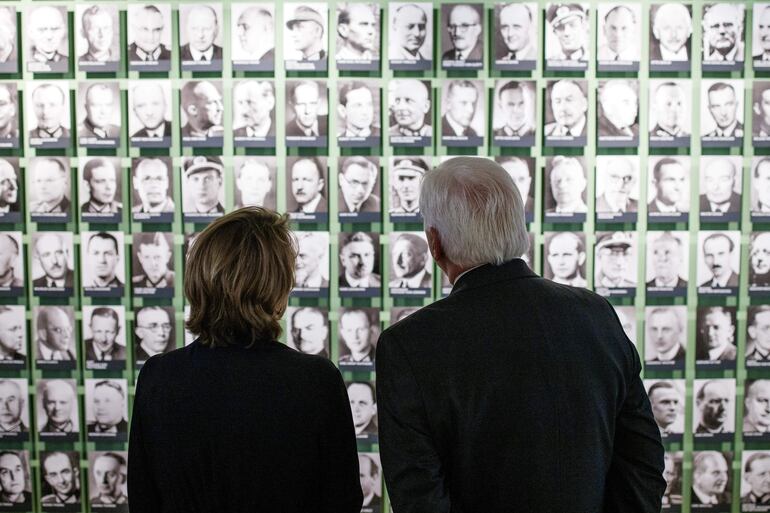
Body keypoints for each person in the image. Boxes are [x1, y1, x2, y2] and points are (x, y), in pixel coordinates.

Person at [376, 157, 665, 512]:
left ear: (434, 244)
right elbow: (643, 461)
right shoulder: (597, 314)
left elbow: (419, 495)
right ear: (518, 228)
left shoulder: (409, 345)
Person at [129, 208, 362, 512]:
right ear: (278, 285)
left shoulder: (158, 376)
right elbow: (342, 500)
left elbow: (144, 500)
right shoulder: (316, 380)